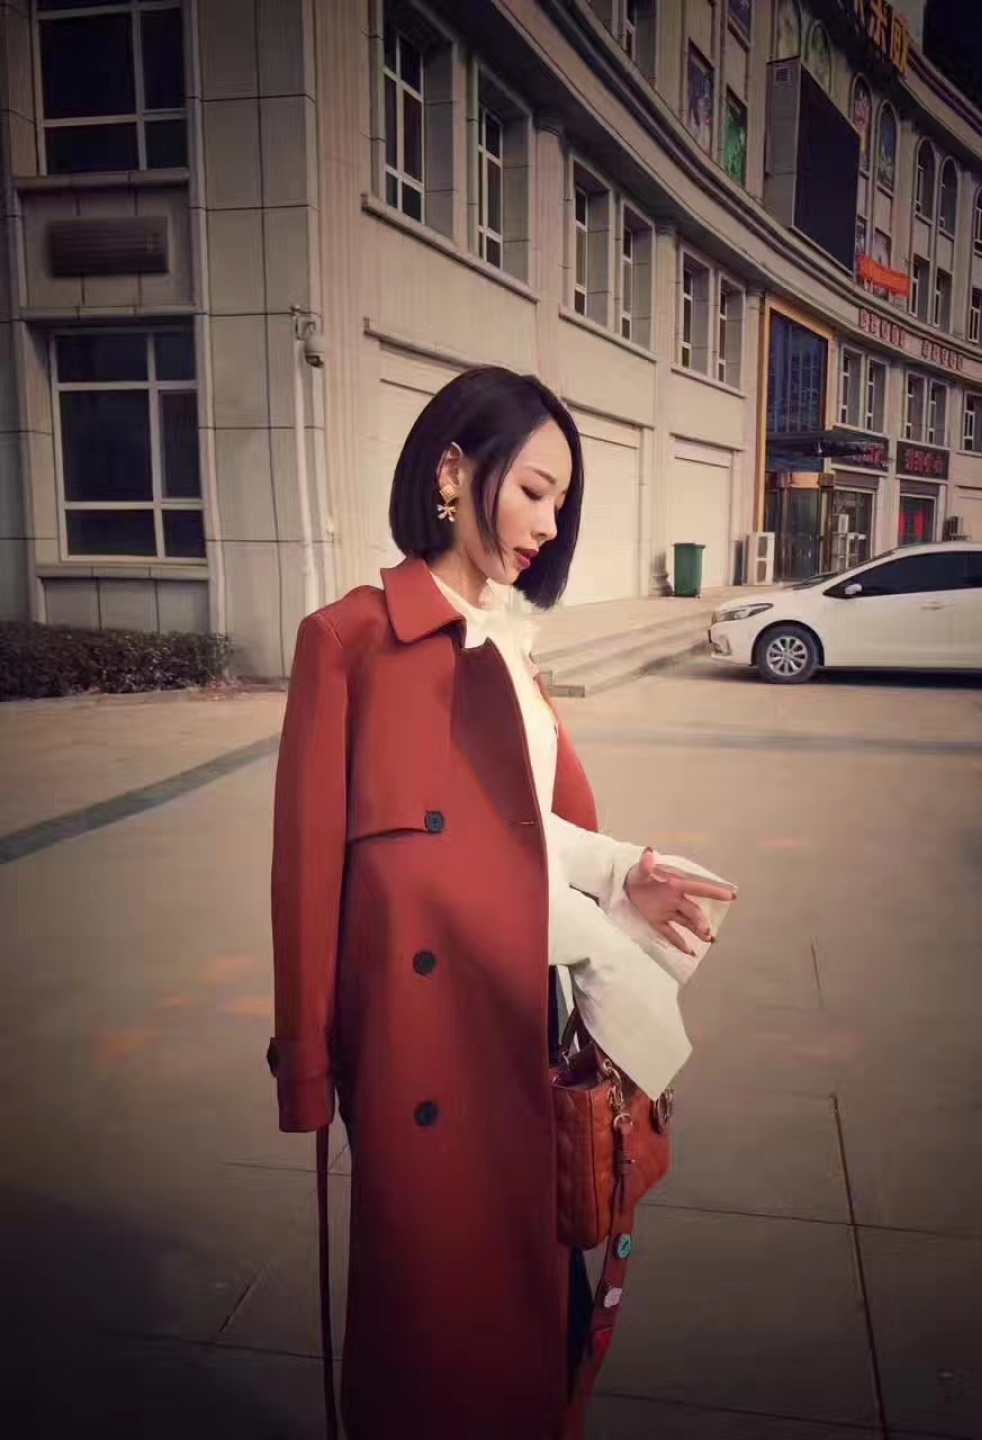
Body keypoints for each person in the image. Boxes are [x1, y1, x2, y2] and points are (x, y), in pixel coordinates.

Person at [268, 365, 735, 1439]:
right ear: (451, 471)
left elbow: (520, 829)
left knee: (537, 1325)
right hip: (421, 1051)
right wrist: (309, 1068)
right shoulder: (349, 639)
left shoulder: (510, 645)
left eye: (561, 502)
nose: (549, 524)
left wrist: (621, 871)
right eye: (533, 490)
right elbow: (308, 875)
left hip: (528, 1020)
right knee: (432, 1342)